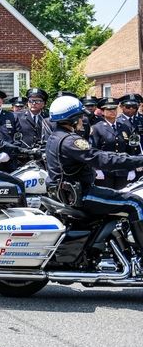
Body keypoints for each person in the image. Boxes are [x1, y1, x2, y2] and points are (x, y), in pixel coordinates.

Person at [46, 95, 143, 250]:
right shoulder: (71, 141)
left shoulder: (56, 136)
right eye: (80, 116)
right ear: (72, 119)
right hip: (81, 194)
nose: (83, 119)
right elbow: (102, 159)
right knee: (135, 202)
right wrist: (138, 161)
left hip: (68, 192)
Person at [90, 97, 137, 189]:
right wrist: (97, 169)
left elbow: (130, 148)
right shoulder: (97, 128)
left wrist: (132, 168)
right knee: (106, 200)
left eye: (114, 109)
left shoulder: (124, 127)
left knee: (122, 197)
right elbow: (93, 150)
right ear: (102, 112)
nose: (113, 111)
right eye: (109, 109)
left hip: (122, 170)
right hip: (105, 171)